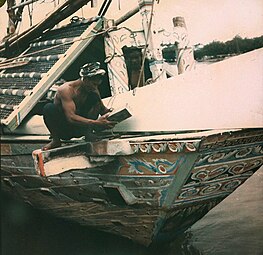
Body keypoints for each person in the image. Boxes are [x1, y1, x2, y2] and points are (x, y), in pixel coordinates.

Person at [42, 62, 116, 150]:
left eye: (97, 85)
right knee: (48, 107)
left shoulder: (93, 90)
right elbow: (71, 117)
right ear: (85, 80)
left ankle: (88, 134)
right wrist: (96, 122)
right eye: (94, 84)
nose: (95, 87)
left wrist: (114, 115)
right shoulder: (66, 90)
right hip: (64, 129)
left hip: (80, 128)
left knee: (94, 97)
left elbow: (102, 109)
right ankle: (56, 140)